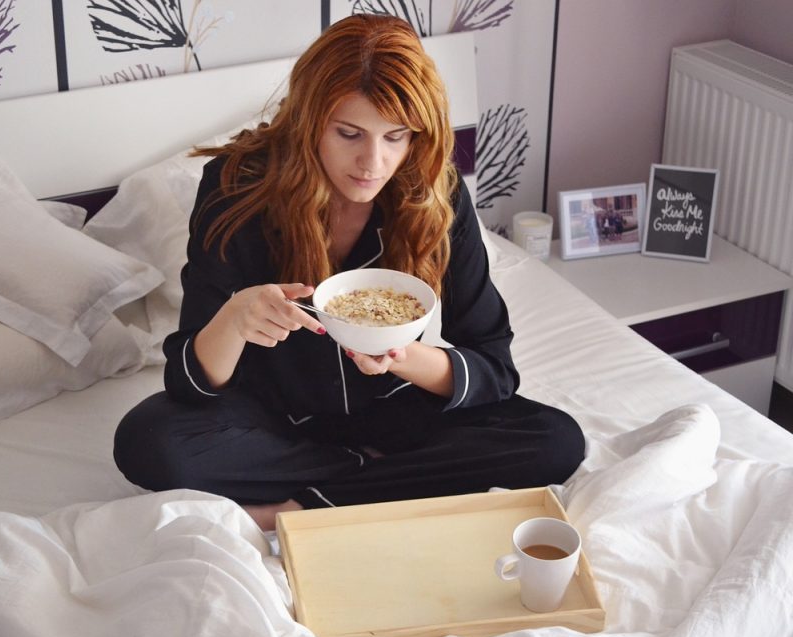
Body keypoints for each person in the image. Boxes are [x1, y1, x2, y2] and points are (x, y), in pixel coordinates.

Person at [114, 14, 584, 531]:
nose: (372, 163)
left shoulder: (435, 194)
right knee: (148, 440)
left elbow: (493, 364)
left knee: (555, 439)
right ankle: (385, 482)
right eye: (349, 133)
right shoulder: (235, 188)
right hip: (273, 420)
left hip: (400, 413)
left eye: (396, 137)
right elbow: (189, 381)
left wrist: (402, 359)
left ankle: (303, 508)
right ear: (310, 120)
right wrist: (234, 318)